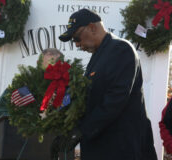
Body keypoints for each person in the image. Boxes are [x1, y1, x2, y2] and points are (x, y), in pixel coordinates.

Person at [56, 8, 158, 160]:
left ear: (92, 27)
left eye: (77, 37)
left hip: (121, 148)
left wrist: (82, 131)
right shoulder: (99, 55)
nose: (77, 44)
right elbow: (90, 98)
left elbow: (114, 99)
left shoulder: (121, 49)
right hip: (103, 147)